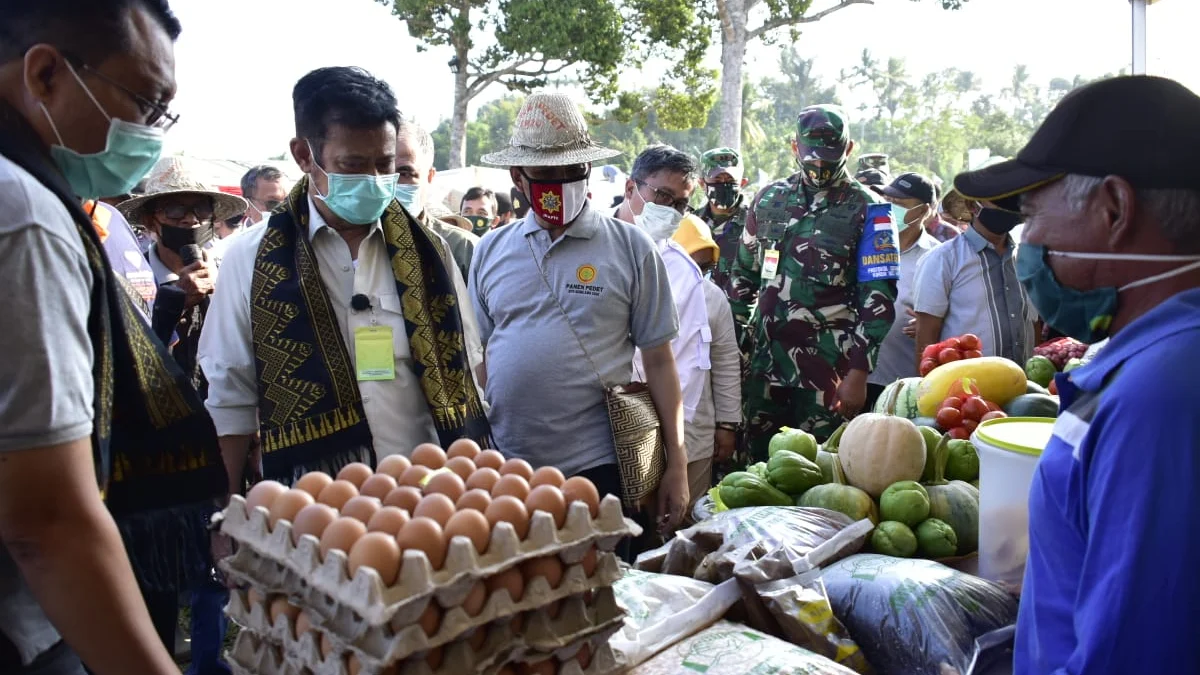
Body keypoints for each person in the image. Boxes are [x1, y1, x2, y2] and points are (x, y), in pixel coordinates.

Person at [0, 1, 227, 674]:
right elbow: (46, 521)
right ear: (46, 74)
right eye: (146, 103)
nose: (151, 133)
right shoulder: (25, 214)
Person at [954, 74, 1200, 675]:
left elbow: (1135, 656)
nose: (1027, 242)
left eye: (1033, 215)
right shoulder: (1151, 361)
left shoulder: (1160, 396)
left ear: (1114, 208)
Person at [199, 66, 490, 492]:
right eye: (353, 165)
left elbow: (468, 371)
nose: (373, 181)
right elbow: (230, 397)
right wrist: (222, 508)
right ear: (304, 155)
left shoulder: (429, 252)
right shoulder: (253, 258)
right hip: (315, 509)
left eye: (384, 163)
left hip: (427, 498)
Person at [470, 92, 690, 531]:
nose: (562, 183)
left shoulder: (631, 248)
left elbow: (661, 362)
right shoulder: (490, 250)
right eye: (546, 174)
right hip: (510, 469)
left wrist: (677, 464)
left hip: (601, 467)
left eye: (573, 171)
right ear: (518, 176)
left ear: (588, 169)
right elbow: (481, 356)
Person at [729, 104, 898, 459]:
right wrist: (735, 349)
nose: (819, 164)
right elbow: (744, 277)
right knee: (758, 468)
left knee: (816, 472)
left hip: (830, 372)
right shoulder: (769, 199)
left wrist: (858, 371)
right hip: (765, 364)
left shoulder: (872, 210)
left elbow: (878, 298)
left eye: (830, 155)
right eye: (811, 155)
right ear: (795, 148)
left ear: (848, 149)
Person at [614, 144, 708, 451]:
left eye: (681, 204)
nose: (671, 211)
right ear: (631, 188)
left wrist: (669, 442)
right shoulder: (584, 247)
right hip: (578, 418)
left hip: (644, 428)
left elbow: (687, 369)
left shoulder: (683, 273)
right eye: (664, 196)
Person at [911, 187, 1037, 367]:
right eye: (999, 202)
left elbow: (1033, 322)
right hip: (965, 386)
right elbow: (926, 335)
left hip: (1022, 383)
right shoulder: (943, 259)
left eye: (1012, 202)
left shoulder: (1026, 258)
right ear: (973, 206)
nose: (1007, 209)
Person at [673, 215, 741, 509]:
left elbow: (726, 363)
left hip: (697, 430)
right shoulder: (644, 291)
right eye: (688, 265)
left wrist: (727, 425)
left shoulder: (713, 299)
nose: (695, 275)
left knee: (690, 515)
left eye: (703, 268)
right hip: (644, 427)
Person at [865, 173, 939, 410]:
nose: (890, 208)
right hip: (857, 377)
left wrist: (930, 325)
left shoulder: (936, 257)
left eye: (900, 203)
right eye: (887, 200)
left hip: (902, 385)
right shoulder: (868, 245)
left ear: (922, 210)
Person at [392, 120, 482, 285]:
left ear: (430, 176)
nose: (392, 183)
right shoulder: (353, 244)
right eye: (384, 171)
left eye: (405, 173)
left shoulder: (463, 249)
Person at [694, 147, 750, 293]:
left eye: (730, 180)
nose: (724, 184)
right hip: (698, 310)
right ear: (701, 183)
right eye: (717, 179)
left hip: (739, 311)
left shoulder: (755, 222)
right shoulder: (691, 223)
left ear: (742, 183)